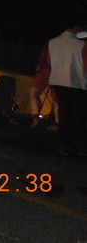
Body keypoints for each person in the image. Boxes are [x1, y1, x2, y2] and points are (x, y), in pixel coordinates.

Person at [45, 20, 87, 156]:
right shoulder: (81, 44)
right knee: (81, 115)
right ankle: (81, 145)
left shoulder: (52, 42)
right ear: (75, 27)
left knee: (64, 113)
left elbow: (48, 62)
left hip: (58, 81)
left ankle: (64, 145)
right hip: (78, 83)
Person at [28, 43, 59, 130]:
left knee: (56, 98)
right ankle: (35, 117)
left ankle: (57, 123)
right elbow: (44, 55)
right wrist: (40, 64)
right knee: (33, 91)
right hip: (45, 69)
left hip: (57, 72)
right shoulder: (50, 43)